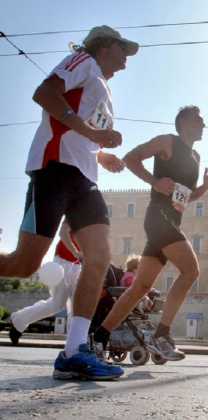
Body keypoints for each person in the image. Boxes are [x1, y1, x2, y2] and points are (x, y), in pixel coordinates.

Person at [0, 25, 136, 380]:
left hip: (85, 179)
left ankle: (75, 351)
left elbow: (83, 129)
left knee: (100, 258)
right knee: (23, 264)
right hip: (55, 169)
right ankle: (75, 350)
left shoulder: (102, 86)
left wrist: (100, 152)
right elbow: (44, 93)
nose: (125, 62)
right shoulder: (84, 61)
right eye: (123, 52)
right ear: (106, 46)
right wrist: (93, 135)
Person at [93, 105, 208, 362]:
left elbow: (186, 195)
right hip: (157, 218)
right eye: (200, 120)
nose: (204, 125)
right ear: (184, 122)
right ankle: (161, 335)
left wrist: (204, 188)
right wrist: (154, 182)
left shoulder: (195, 157)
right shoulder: (166, 142)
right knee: (191, 271)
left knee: (141, 286)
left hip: (172, 221)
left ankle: (99, 337)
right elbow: (130, 158)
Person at [9, 221, 82, 345]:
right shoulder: (74, 211)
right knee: (57, 304)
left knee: (77, 306)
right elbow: (63, 233)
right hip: (62, 263)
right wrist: (76, 253)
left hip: (78, 265)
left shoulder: (94, 218)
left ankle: (74, 345)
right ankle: (19, 320)